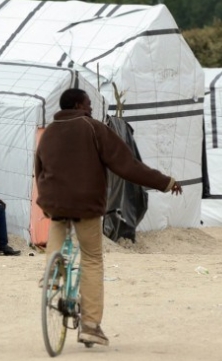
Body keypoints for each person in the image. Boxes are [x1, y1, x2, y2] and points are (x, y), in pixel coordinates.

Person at [34, 88, 182, 346]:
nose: (91, 109)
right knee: (91, 258)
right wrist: (165, 182)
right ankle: (90, 325)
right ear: (80, 104)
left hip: (54, 201)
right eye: (89, 104)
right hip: (86, 204)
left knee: (57, 225)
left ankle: (52, 273)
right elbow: (128, 165)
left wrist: (47, 198)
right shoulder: (93, 128)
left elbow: (39, 169)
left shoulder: (49, 133)